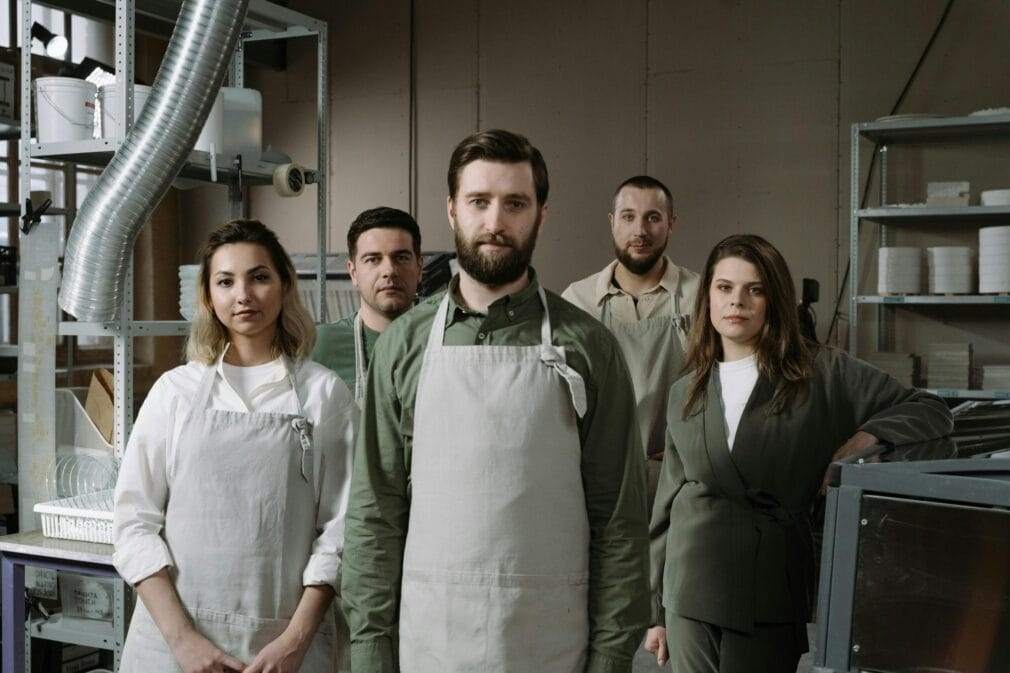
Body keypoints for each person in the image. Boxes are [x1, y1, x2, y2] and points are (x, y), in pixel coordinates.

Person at [341, 129, 650, 673]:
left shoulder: (587, 346)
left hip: (551, 641)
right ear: (453, 210)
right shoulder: (403, 345)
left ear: (541, 214)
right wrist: (369, 651)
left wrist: (609, 658)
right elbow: (375, 515)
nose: (495, 222)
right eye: (479, 202)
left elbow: (618, 522)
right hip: (430, 639)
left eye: (515, 204)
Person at [644, 234, 953, 673]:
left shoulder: (821, 371)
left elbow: (930, 410)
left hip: (770, 587)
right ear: (707, 297)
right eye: (724, 287)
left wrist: (865, 439)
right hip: (689, 586)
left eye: (756, 289)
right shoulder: (686, 391)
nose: (738, 302)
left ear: (775, 299)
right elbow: (667, 506)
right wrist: (655, 613)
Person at [113, 219, 356, 673]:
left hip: (284, 650)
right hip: (172, 646)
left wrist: (293, 642)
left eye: (259, 277)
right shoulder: (175, 393)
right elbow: (133, 524)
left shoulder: (325, 395)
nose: (243, 294)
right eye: (226, 281)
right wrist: (184, 642)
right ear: (208, 296)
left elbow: (341, 534)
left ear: (284, 285)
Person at [563, 175, 699, 504]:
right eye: (628, 217)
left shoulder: (702, 297)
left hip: (679, 478)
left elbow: (726, 387)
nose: (640, 231)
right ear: (612, 223)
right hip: (595, 479)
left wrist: (692, 445)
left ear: (671, 224)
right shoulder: (576, 301)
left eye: (653, 217)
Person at [312, 207, 423, 403]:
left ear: (420, 268)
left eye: (401, 258)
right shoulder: (323, 346)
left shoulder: (442, 341)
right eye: (373, 259)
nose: (389, 270)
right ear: (353, 272)